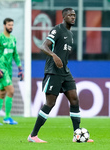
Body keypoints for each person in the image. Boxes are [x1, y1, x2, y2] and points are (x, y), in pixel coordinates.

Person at [27, 8, 94, 143]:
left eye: (74, 15)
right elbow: (43, 46)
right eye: (70, 15)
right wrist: (54, 55)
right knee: (50, 103)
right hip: (53, 71)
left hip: (65, 71)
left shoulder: (70, 34)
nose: (73, 17)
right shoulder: (57, 29)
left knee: (74, 99)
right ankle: (33, 136)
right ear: (64, 16)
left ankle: (77, 135)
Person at [0, 18, 24, 125]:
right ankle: (7, 117)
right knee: (11, 90)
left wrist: (20, 68)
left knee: (2, 92)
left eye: (12, 25)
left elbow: (15, 54)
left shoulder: (13, 39)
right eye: (9, 25)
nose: (11, 27)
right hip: (0, 69)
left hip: (8, 69)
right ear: (4, 25)